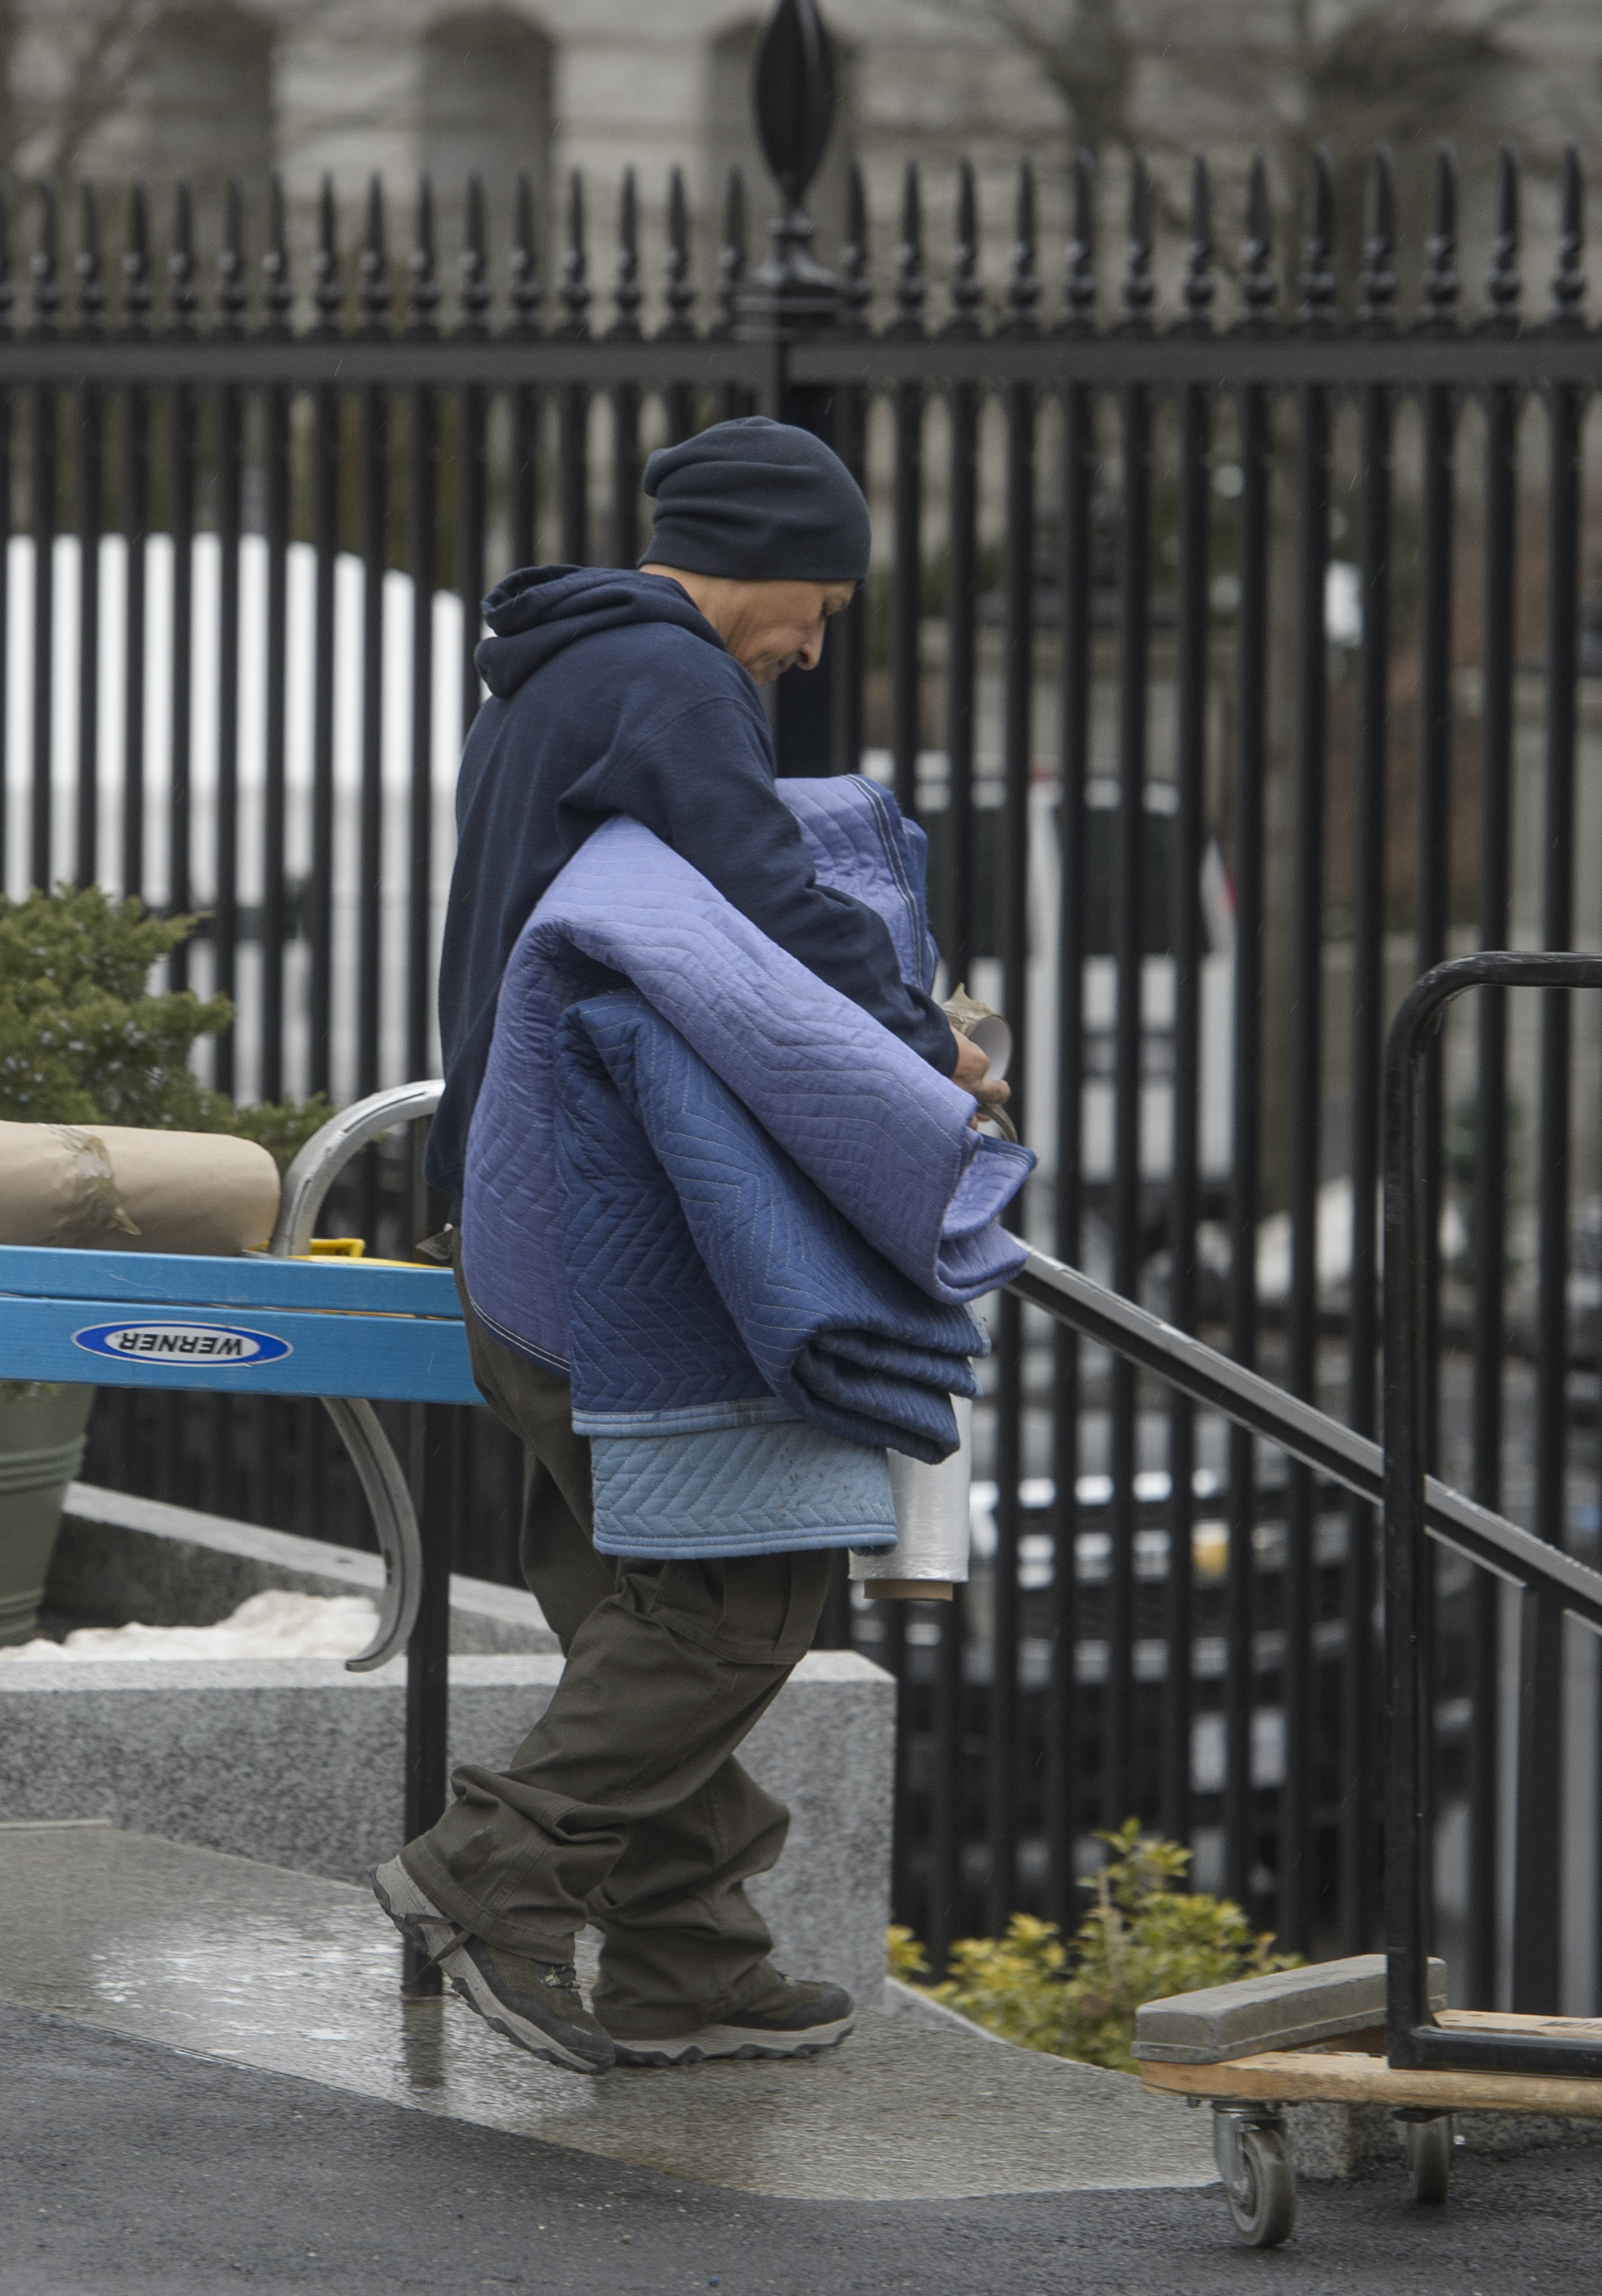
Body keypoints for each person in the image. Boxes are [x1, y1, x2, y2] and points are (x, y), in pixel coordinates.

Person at [376, 415, 1001, 2076]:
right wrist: (920, 1044)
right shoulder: (667, 678)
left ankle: (686, 1958)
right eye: (822, 600)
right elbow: (762, 904)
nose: (815, 642)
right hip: (601, 1232)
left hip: (505, 1212)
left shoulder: (551, 673)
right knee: (744, 1592)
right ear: (763, 554)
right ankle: (490, 1873)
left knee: (628, 1599)